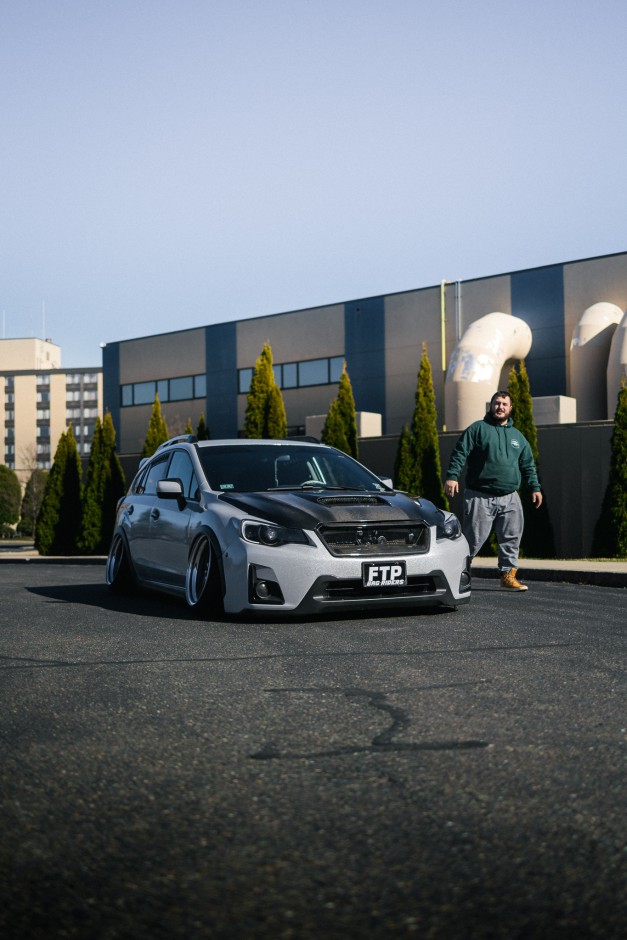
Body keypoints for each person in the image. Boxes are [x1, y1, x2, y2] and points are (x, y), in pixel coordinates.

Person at [444, 390, 543, 592]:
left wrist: (535, 488)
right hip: (480, 496)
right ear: (491, 405)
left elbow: (528, 465)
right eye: (497, 403)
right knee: (472, 539)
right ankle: (459, 573)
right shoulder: (478, 429)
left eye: (504, 404)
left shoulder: (518, 437)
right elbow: (460, 452)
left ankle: (508, 576)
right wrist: (452, 476)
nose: (500, 407)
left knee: (511, 537)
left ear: (510, 408)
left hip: (510, 497)